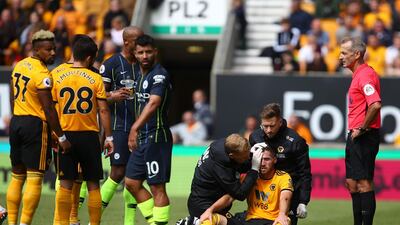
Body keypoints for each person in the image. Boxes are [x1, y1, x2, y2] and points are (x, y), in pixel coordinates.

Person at [7, 29, 71, 225]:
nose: (52, 53)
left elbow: (11, 94)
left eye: (54, 49)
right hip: (35, 126)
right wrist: (61, 137)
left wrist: (16, 114)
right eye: (48, 50)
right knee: (34, 178)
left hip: (16, 121)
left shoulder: (20, 65)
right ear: (36, 50)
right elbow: (49, 109)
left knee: (17, 176)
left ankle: (11, 222)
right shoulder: (42, 74)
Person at [51, 35, 114, 225]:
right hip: (89, 136)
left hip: (65, 135)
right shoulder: (95, 78)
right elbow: (103, 110)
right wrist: (109, 137)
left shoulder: (56, 75)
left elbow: (52, 110)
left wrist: (56, 134)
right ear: (89, 58)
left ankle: (63, 223)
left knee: (65, 185)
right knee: (93, 184)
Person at [125, 34, 173, 225]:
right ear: (135, 54)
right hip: (142, 137)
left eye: (148, 52)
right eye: (140, 52)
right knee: (131, 183)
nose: (144, 56)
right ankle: (155, 222)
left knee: (157, 187)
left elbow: (154, 102)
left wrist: (133, 128)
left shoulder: (159, 74)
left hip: (157, 137)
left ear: (155, 52)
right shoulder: (138, 75)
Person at [99, 26, 143, 225]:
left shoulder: (144, 64)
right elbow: (95, 96)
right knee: (117, 172)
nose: (142, 45)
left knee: (134, 178)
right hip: (119, 125)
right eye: (138, 41)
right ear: (127, 42)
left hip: (140, 128)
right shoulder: (111, 64)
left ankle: (129, 222)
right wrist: (112, 96)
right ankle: (95, 217)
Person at [176, 134, 264, 225]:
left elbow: (240, 164)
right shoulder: (221, 166)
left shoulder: (226, 145)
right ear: (232, 155)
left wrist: (253, 151)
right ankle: (195, 223)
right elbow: (239, 194)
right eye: (245, 157)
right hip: (204, 207)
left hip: (202, 200)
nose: (248, 158)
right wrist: (254, 169)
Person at [339, 36, 381, 225]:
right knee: (352, 184)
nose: (340, 56)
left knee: (363, 183)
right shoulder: (358, 75)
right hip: (356, 135)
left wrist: (362, 128)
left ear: (357, 54)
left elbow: (375, 105)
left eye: (344, 53)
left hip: (364, 135)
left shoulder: (364, 75)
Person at [249, 103, 311, 225]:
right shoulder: (255, 137)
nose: (268, 130)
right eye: (265, 126)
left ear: (280, 122)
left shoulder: (295, 141)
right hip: (262, 194)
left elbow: (305, 172)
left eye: (272, 126)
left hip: (288, 193)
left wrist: (303, 201)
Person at [199, 146, 294, 225]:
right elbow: (229, 197)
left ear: (274, 160)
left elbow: (285, 197)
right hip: (249, 221)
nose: (262, 164)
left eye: (266, 159)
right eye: (260, 159)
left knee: (284, 222)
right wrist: (210, 210)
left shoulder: (283, 177)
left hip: (273, 221)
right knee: (211, 219)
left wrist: (282, 214)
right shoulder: (250, 177)